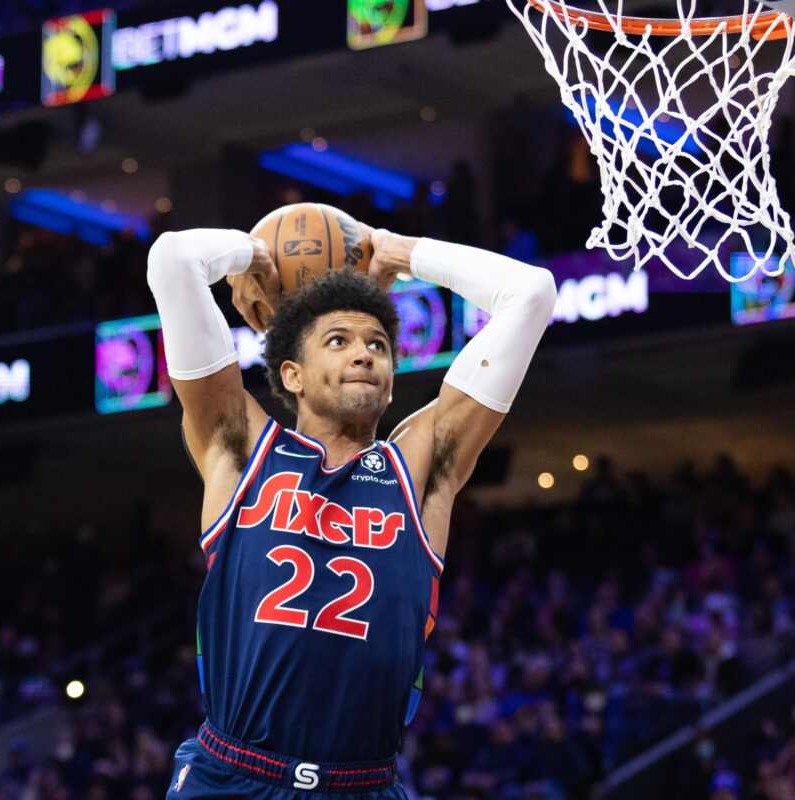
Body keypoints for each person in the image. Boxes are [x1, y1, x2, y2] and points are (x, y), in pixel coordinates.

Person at [146, 223, 556, 798]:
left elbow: (531, 293)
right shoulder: (240, 447)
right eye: (337, 341)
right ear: (292, 374)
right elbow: (172, 258)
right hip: (232, 776)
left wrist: (400, 251)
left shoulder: (419, 469)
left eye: (377, 345)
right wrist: (252, 254)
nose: (363, 353)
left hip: (363, 783)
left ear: (390, 384)